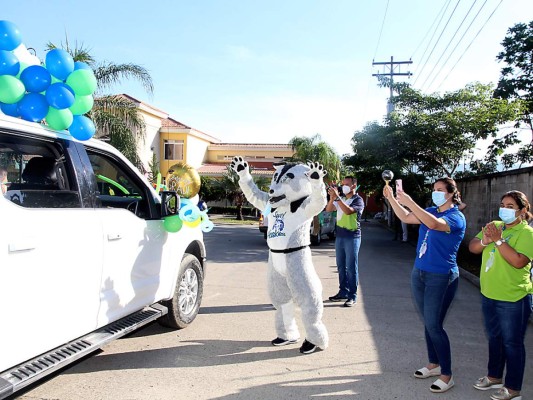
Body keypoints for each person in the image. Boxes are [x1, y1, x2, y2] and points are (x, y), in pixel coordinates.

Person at [383, 177, 466, 394]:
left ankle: (447, 375)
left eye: (440, 190)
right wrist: (392, 198)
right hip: (419, 272)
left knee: (434, 325)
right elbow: (405, 217)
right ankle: (433, 364)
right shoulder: (430, 209)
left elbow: (433, 224)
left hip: (442, 276)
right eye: (434, 189)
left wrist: (410, 201)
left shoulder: (456, 217)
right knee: (429, 323)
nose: (435, 193)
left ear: (450, 193)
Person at [468, 190, 533, 400]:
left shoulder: (527, 233)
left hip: (513, 298)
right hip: (489, 293)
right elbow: (473, 248)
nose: (504, 209)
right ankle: (494, 376)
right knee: (494, 338)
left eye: (511, 206)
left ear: (522, 211)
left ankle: (513, 389)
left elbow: (518, 261)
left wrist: (498, 241)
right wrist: (487, 240)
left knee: (512, 343)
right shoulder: (495, 226)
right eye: (503, 204)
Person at [326, 176, 364, 307]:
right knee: (341, 267)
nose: (343, 186)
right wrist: (332, 199)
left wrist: (337, 198)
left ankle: (352, 295)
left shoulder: (358, 200)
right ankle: (343, 292)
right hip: (340, 236)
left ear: (354, 185)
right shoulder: (341, 199)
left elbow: (348, 211)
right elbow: (329, 209)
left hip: (352, 237)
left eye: (346, 184)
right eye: (343, 184)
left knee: (351, 268)